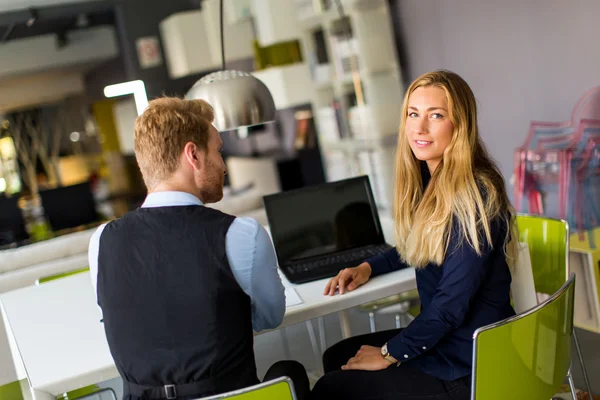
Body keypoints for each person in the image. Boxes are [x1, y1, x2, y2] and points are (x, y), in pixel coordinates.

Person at [311, 70, 518, 400]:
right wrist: (368, 267)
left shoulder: (474, 198)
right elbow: (419, 244)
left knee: (328, 388)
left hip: (470, 364)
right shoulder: (436, 183)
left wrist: (389, 353)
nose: (419, 128)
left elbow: (449, 308)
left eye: (435, 115)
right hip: (450, 342)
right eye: (413, 114)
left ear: (460, 125)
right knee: (336, 356)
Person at [88, 97, 309, 400]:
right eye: (218, 150)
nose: (224, 166)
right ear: (193, 154)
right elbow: (270, 317)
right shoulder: (242, 235)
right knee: (293, 371)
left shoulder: (102, 242)